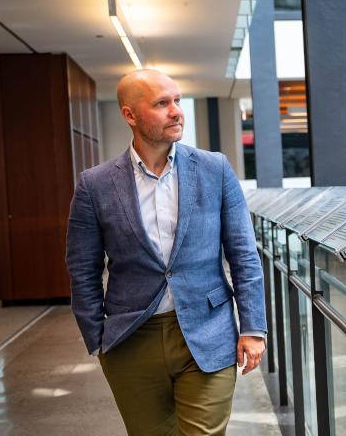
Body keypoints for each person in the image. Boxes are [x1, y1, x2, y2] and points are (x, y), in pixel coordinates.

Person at [65, 69, 267, 435]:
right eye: (161, 104)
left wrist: (253, 328)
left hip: (208, 331)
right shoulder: (95, 185)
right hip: (131, 338)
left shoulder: (214, 169)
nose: (176, 111)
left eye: (177, 100)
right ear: (130, 115)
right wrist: (97, 338)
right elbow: (82, 266)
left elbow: (243, 254)